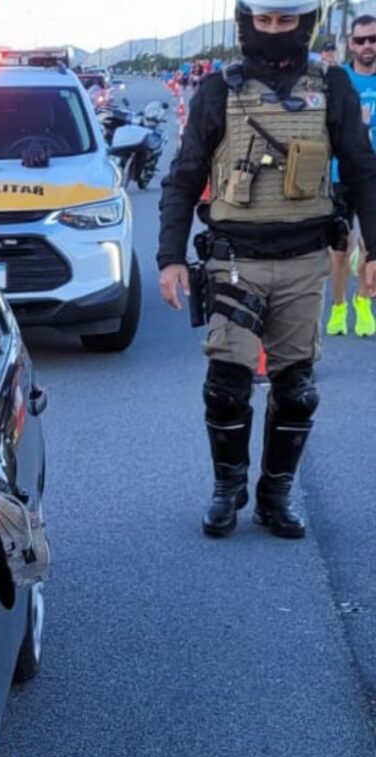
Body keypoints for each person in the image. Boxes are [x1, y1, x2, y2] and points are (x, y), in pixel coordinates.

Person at [158, 0, 376, 540]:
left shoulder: (333, 89)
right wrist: (168, 259)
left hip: (304, 262)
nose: (275, 31)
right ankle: (226, 489)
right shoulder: (217, 91)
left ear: (305, 25)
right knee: (226, 386)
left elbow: (363, 172)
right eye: (265, 20)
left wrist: (373, 253)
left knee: (297, 388)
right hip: (235, 261)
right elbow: (183, 178)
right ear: (246, 22)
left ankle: (275, 496)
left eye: (286, 21)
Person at [326, 15, 376, 337]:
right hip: (340, 174)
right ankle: (339, 306)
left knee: (370, 245)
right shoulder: (338, 80)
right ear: (351, 44)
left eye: (372, 39)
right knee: (340, 248)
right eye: (360, 40)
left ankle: (363, 303)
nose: (367, 46)